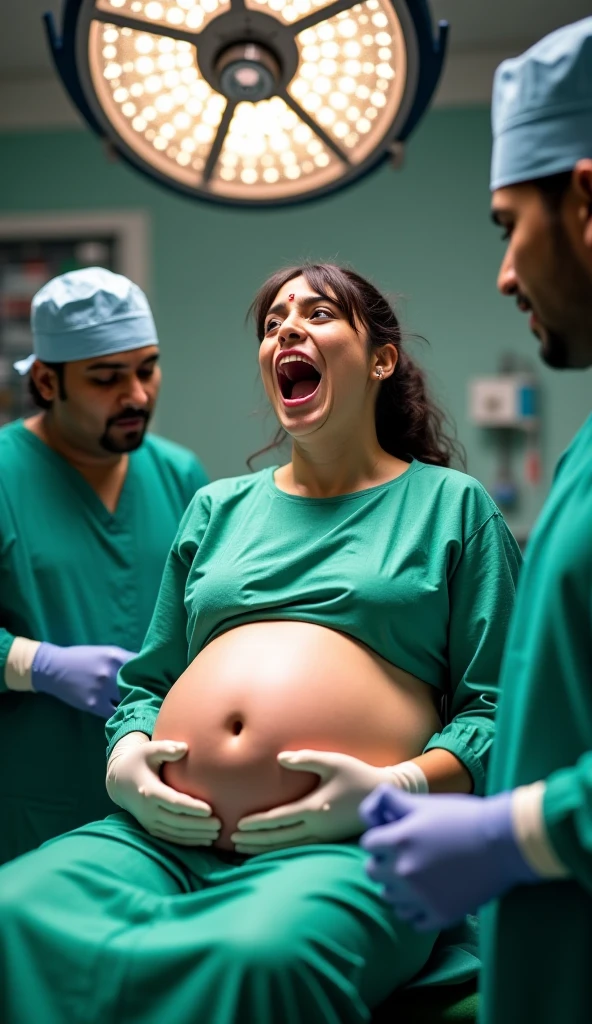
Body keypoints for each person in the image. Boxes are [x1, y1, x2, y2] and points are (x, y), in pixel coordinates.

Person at [0, 264, 520, 1024]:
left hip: (348, 843)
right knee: (16, 910)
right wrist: (127, 760)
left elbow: (500, 709)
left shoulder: (451, 508)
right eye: (274, 322)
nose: (286, 331)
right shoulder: (216, 507)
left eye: (317, 314)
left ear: (381, 358)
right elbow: (148, 686)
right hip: (163, 836)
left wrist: (397, 788)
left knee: (260, 959)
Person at [360, 17, 592, 1024]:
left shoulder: (449, 506)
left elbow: (497, 703)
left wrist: (517, 829)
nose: (503, 274)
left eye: (507, 226)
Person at [0, 266, 208, 864]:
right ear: (46, 379)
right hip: (34, 804)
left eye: (147, 368)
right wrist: (33, 663)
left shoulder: (182, 476)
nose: (137, 395)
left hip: (167, 804)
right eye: (106, 378)